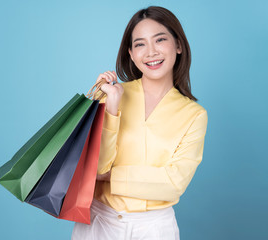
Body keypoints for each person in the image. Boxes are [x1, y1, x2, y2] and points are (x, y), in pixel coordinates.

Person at [72, 5, 208, 240]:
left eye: (160, 40)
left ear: (178, 46)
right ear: (131, 54)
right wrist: (112, 107)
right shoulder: (110, 94)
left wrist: (109, 178)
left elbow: (173, 183)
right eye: (140, 44)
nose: (151, 52)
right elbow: (96, 166)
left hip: (155, 228)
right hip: (97, 223)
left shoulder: (194, 114)